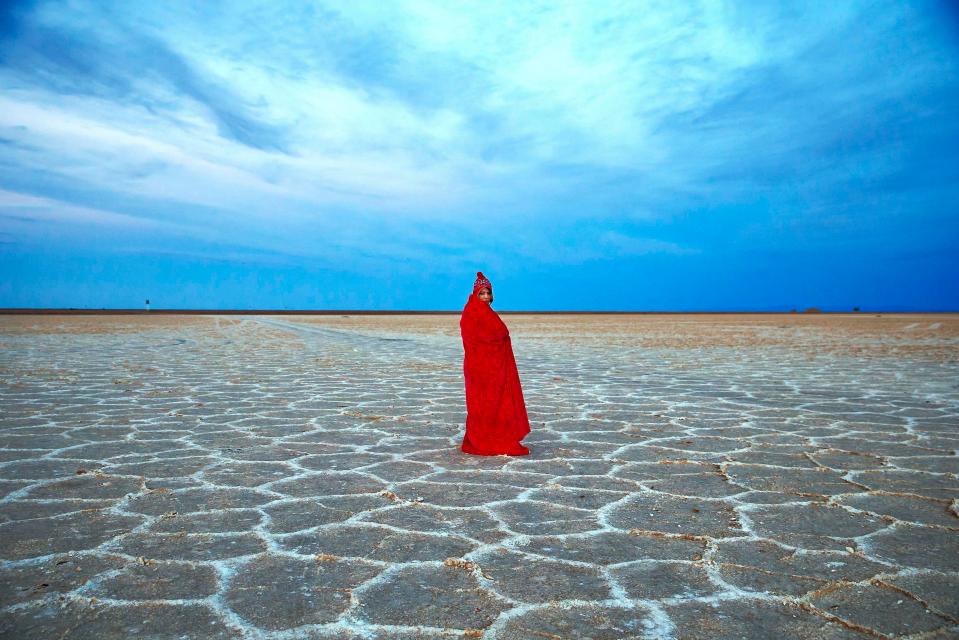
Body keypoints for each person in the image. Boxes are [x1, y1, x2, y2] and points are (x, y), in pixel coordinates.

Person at [459, 271, 531, 456]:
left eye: (487, 293)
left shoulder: (486, 311)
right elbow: (474, 338)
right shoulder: (471, 312)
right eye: (481, 293)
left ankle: (499, 436)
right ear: (475, 294)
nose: (485, 297)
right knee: (483, 403)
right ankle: (482, 440)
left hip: (495, 366)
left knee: (498, 402)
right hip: (480, 367)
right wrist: (498, 339)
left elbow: (498, 333)